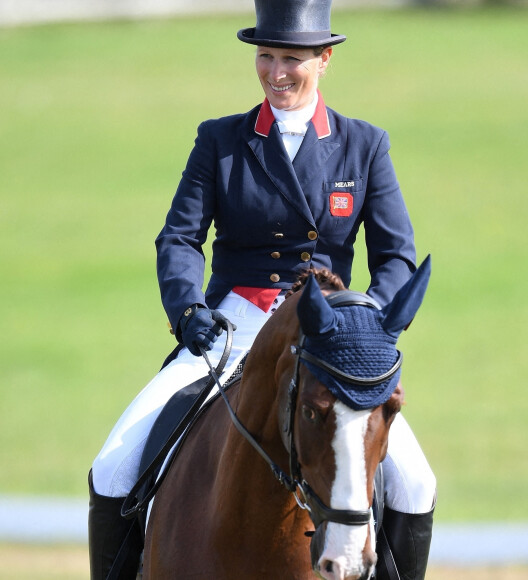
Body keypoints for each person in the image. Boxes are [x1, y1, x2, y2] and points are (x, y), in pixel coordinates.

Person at [88, 0, 436, 578]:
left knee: (416, 483)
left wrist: (363, 324)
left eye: (293, 59)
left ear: (324, 59)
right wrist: (188, 310)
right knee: (114, 468)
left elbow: (396, 255)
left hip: (325, 334)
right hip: (231, 326)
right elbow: (178, 239)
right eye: (267, 56)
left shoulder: (364, 145)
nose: (277, 73)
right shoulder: (221, 140)